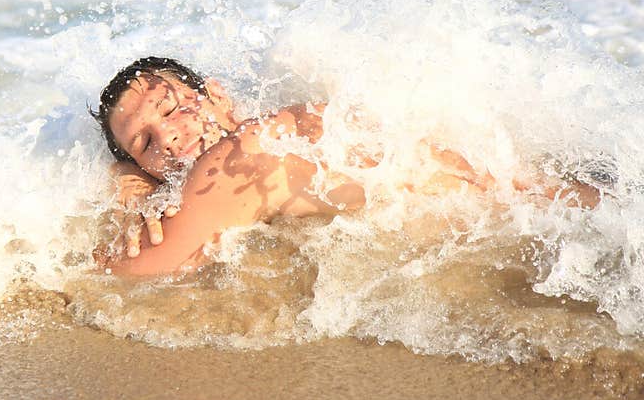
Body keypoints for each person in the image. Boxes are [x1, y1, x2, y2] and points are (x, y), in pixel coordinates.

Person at [90, 57, 599, 276]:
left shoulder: (238, 162)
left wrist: (118, 189)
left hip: (537, 232)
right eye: (145, 144)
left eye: (172, 108)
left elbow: (123, 277)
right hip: (554, 208)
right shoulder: (290, 119)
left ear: (217, 96)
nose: (171, 136)